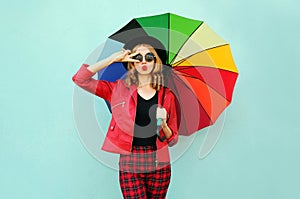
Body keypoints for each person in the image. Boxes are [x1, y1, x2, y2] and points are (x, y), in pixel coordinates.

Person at [72, 38, 178, 199]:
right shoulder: (117, 89)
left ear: (156, 63)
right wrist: (111, 60)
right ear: (131, 63)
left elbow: (173, 140)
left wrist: (163, 123)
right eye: (137, 57)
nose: (143, 61)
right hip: (130, 161)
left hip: (159, 163)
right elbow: (80, 79)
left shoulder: (167, 96)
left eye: (149, 57)